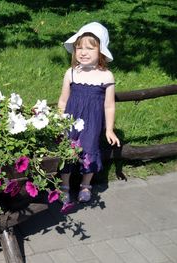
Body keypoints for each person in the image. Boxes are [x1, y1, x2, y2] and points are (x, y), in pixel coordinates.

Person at [57, 22, 120, 212]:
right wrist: (58, 120)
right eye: (79, 47)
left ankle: (86, 184)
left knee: (90, 150)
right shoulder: (71, 74)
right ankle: (65, 186)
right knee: (67, 151)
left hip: (92, 123)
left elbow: (109, 105)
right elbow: (62, 101)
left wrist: (109, 129)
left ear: (101, 51)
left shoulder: (106, 76)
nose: (83, 52)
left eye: (90, 48)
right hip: (70, 120)